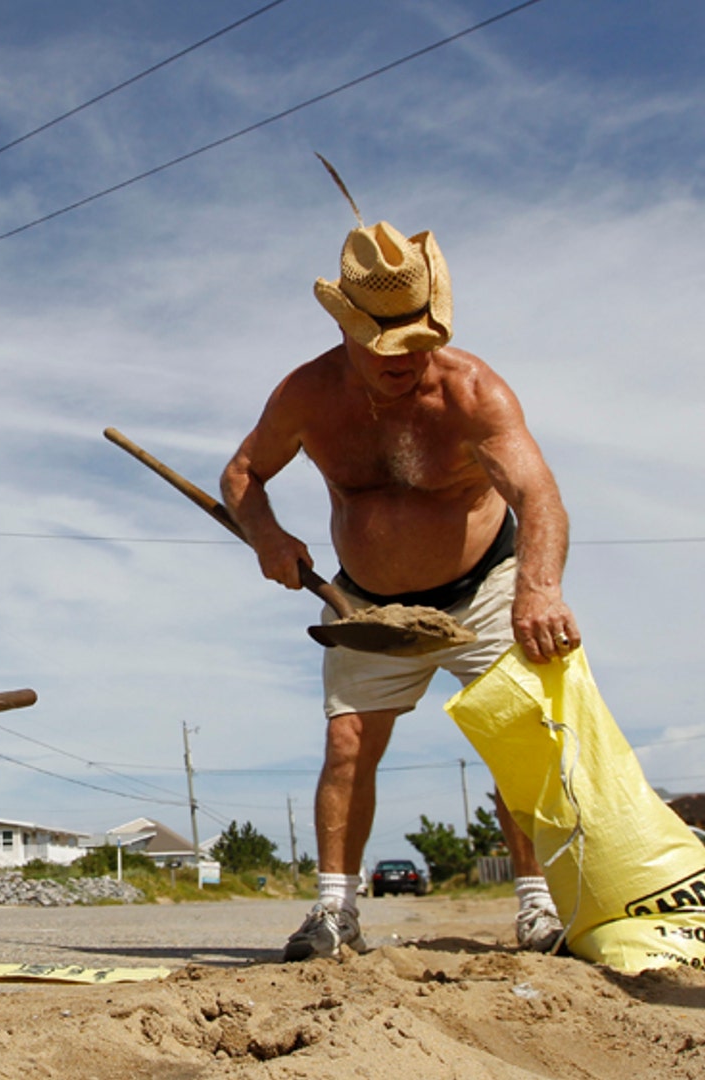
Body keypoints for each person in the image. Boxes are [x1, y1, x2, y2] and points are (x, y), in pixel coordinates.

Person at [219, 212, 578, 962]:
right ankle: (334, 912)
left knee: (519, 737)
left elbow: (538, 496)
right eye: (388, 347)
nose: (408, 360)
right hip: (366, 604)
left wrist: (538, 589)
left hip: (484, 587)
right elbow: (244, 473)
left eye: (420, 341)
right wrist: (266, 535)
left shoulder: (473, 392)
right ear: (349, 328)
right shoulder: (307, 395)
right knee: (348, 742)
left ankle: (539, 908)